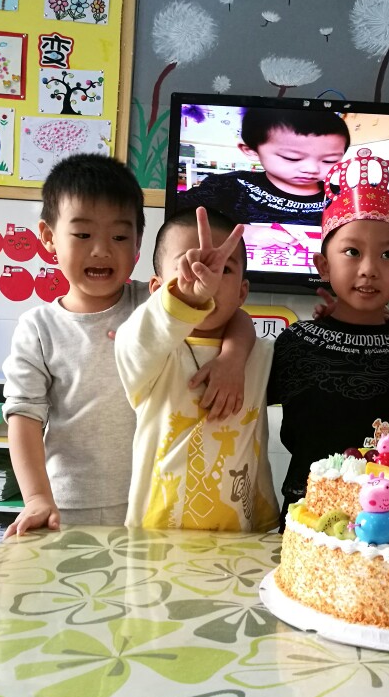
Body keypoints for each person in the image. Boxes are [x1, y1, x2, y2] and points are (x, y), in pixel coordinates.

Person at [2, 154, 253, 537]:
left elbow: (230, 314)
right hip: (69, 504)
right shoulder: (38, 328)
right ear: (49, 236)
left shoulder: (156, 302)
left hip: (157, 502)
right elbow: (24, 416)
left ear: (137, 242)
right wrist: (37, 497)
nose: (102, 250)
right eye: (83, 235)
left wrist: (233, 358)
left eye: (119, 237)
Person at [267, 148, 389, 527]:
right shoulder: (294, 344)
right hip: (305, 526)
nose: (368, 269)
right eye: (351, 251)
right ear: (323, 265)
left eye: (388, 255)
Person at [116, 206, 279, 532]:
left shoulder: (260, 355)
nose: (208, 278)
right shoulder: (154, 355)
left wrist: (233, 357)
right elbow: (134, 339)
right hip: (157, 540)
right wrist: (186, 298)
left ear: (243, 292)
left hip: (238, 538)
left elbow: (245, 322)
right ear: (158, 289)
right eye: (189, 267)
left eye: (225, 269)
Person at [177, 107, 350, 227]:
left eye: (329, 160)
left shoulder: (344, 197)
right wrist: (236, 233)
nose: (312, 168)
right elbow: (179, 215)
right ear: (251, 151)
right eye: (292, 158)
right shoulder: (229, 186)